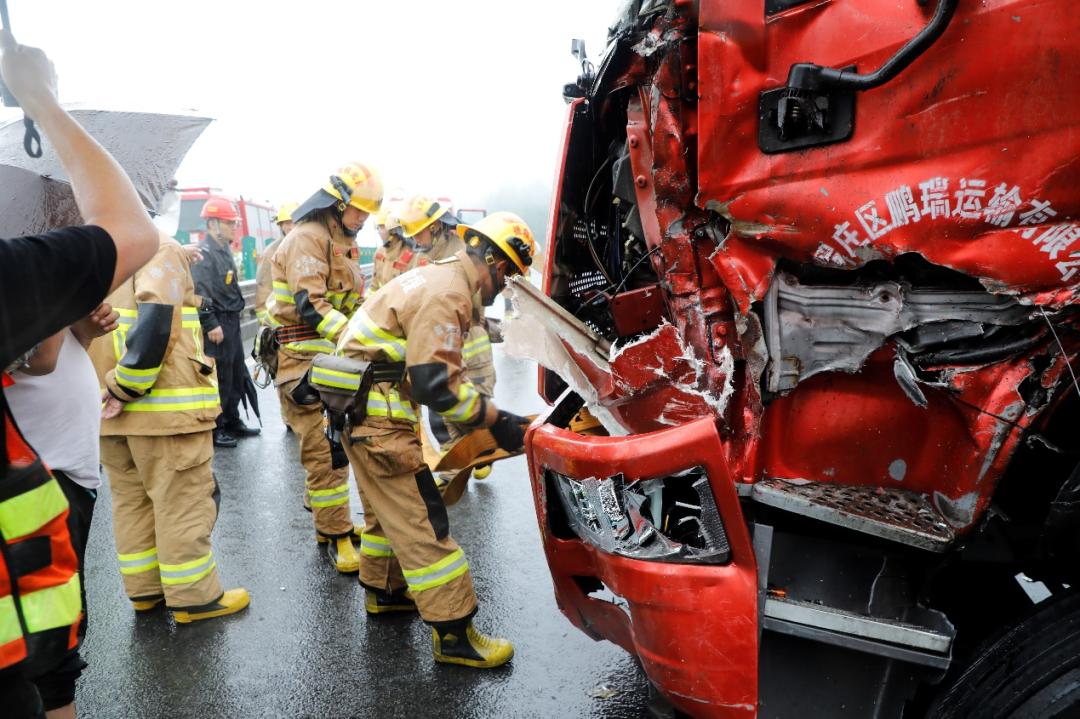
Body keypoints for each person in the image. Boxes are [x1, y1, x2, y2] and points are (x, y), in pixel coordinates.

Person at [0, 30, 160, 719]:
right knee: (48, 647)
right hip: (46, 476)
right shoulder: (19, 267)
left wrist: (77, 325)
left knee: (53, 645)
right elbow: (31, 356)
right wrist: (42, 101)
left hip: (62, 465)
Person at [326, 211, 534, 669]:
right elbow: (435, 385)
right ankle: (455, 635)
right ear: (498, 267)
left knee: (386, 514)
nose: (502, 290)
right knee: (424, 519)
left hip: (359, 412)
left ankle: (386, 593)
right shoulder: (449, 293)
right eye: (508, 279)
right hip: (378, 421)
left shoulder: (431, 277)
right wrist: (496, 420)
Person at [90, 231, 250, 624]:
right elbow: (157, 315)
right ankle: (195, 597)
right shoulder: (153, 244)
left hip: (105, 411)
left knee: (131, 503)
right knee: (181, 502)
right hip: (160, 410)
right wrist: (127, 384)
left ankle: (145, 591)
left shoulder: (89, 250)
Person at [266, 162, 382, 573]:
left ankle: (327, 522)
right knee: (325, 450)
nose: (364, 219)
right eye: (359, 210)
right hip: (301, 362)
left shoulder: (338, 242)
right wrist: (357, 338)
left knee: (340, 441)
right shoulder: (307, 239)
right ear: (338, 204)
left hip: (329, 361)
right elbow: (310, 305)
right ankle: (335, 535)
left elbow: (348, 303)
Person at [5, 307, 117, 718]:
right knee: (47, 642)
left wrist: (81, 332)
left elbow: (56, 357)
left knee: (52, 631)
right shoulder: (27, 272)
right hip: (33, 479)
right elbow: (40, 357)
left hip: (55, 471)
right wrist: (58, 294)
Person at [190, 197, 260, 447]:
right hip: (218, 323)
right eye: (229, 223)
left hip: (231, 320)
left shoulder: (224, 250)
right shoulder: (204, 255)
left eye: (234, 223)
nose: (234, 227)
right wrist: (210, 324)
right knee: (218, 375)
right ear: (212, 224)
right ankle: (217, 426)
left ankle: (232, 419)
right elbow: (199, 292)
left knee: (234, 372)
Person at [255, 201, 299, 324]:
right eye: (286, 223)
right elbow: (263, 296)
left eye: (294, 221)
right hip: (281, 324)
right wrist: (269, 328)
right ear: (281, 226)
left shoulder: (310, 249)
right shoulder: (271, 253)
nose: (291, 227)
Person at [370, 204, 406, 292]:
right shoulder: (379, 253)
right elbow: (374, 286)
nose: (378, 231)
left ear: (394, 230)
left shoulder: (411, 254)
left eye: (381, 227)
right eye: (378, 227)